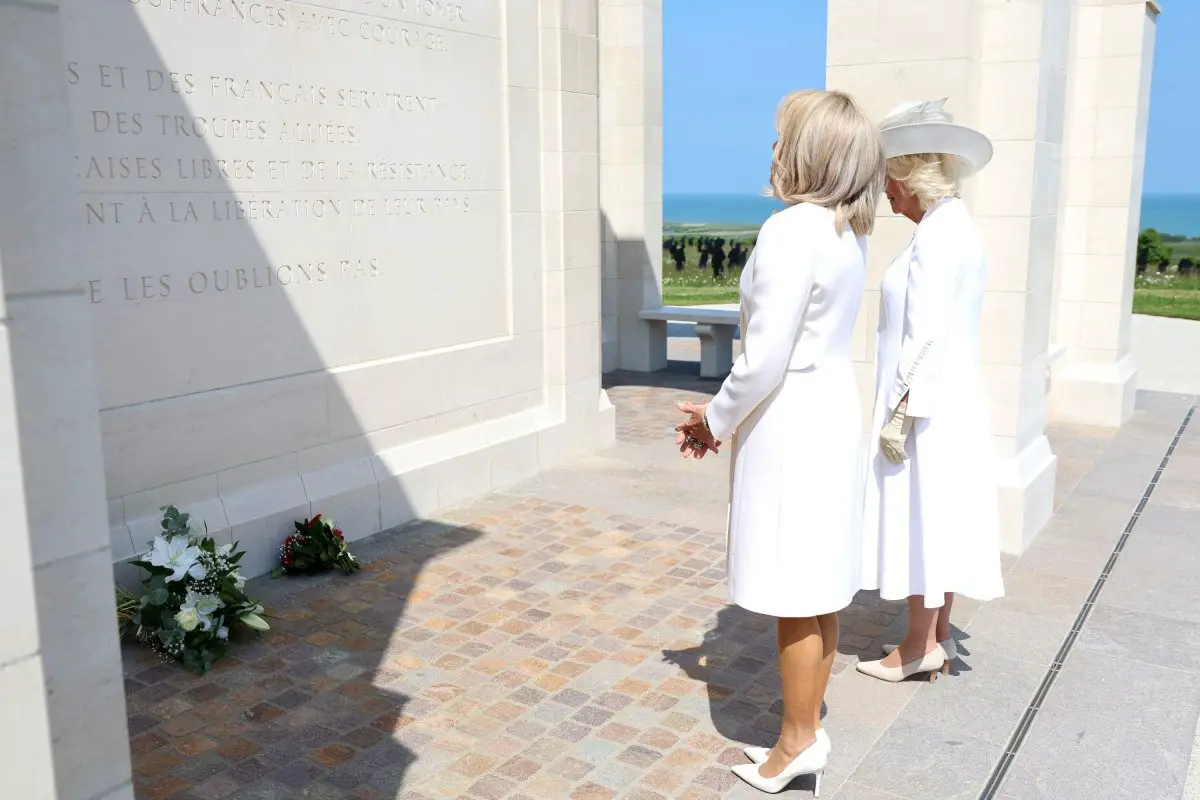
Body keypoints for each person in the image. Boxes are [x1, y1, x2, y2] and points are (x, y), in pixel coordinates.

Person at [676, 89, 884, 794]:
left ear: (809, 151)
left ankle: (796, 739)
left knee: (797, 587)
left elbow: (762, 359)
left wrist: (712, 421)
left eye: (781, 136)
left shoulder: (791, 230)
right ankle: (807, 727)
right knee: (820, 585)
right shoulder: (845, 232)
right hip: (827, 415)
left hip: (792, 424)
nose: (771, 149)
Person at [856, 99, 1006, 683]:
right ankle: (936, 633)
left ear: (910, 179)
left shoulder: (938, 238)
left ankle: (918, 645)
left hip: (923, 405)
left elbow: (924, 333)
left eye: (889, 184)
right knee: (939, 512)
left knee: (924, 514)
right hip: (945, 399)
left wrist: (900, 412)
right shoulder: (952, 229)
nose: (887, 198)